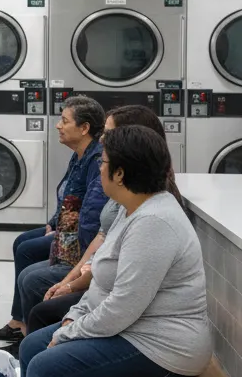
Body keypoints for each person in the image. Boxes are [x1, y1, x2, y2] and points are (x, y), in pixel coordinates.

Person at [0, 125, 211, 377]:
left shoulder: (155, 224)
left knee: (45, 369)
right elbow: (102, 287)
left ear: (122, 175)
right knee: (30, 346)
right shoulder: (135, 212)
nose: (100, 170)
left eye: (106, 164)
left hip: (165, 347)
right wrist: (72, 319)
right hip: (137, 331)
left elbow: (122, 307)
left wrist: (70, 332)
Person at [25, 104, 184, 334]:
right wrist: (70, 286)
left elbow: (123, 300)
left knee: (35, 291)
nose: (101, 140)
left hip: (128, 315)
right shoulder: (127, 199)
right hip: (96, 283)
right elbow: (101, 238)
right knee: (32, 273)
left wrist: (70, 323)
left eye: (108, 134)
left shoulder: (149, 213)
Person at [0, 95, 107, 352]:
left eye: (64, 121)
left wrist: (67, 250)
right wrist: (53, 223)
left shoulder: (96, 159)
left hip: (78, 243)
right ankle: (19, 321)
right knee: (23, 242)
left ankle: (27, 335)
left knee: (28, 264)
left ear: (84, 128)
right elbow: (68, 194)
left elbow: (90, 214)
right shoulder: (80, 155)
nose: (58, 125)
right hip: (68, 232)